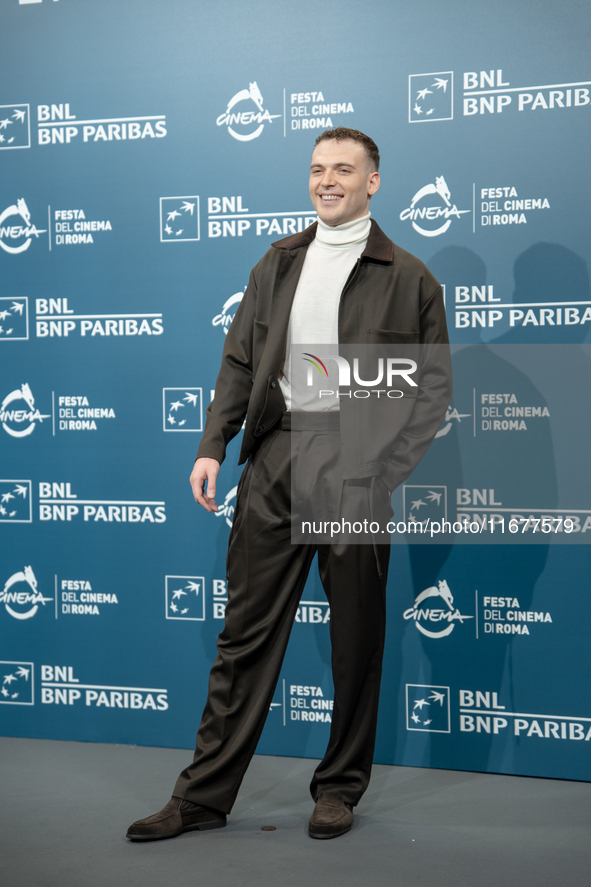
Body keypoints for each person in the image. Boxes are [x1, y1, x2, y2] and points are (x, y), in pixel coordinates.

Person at [127, 127, 451, 843]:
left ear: (373, 181)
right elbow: (240, 361)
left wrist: (380, 470)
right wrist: (214, 444)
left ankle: (337, 788)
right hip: (274, 460)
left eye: (343, 168)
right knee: (243, 637)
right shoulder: (277, 262)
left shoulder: (409, 276)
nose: (326, 180)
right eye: (316, 169)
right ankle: (203, 796)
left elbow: (432, 392)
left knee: (355, 640)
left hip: (355, 467)